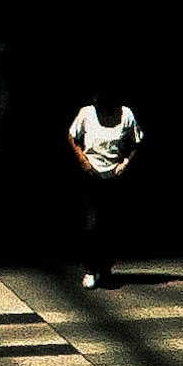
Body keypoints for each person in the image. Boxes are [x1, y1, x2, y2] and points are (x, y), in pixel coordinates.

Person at [65, 88, 146, 283]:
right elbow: (72, 136)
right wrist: (82, 159)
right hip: (92, 173)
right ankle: (91, 268)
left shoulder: (126, 115)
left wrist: (125, 163)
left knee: (111, 223)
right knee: (92, 222)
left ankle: (105, 265)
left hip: (114, 176)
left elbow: (137, 140)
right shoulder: (86, 113)